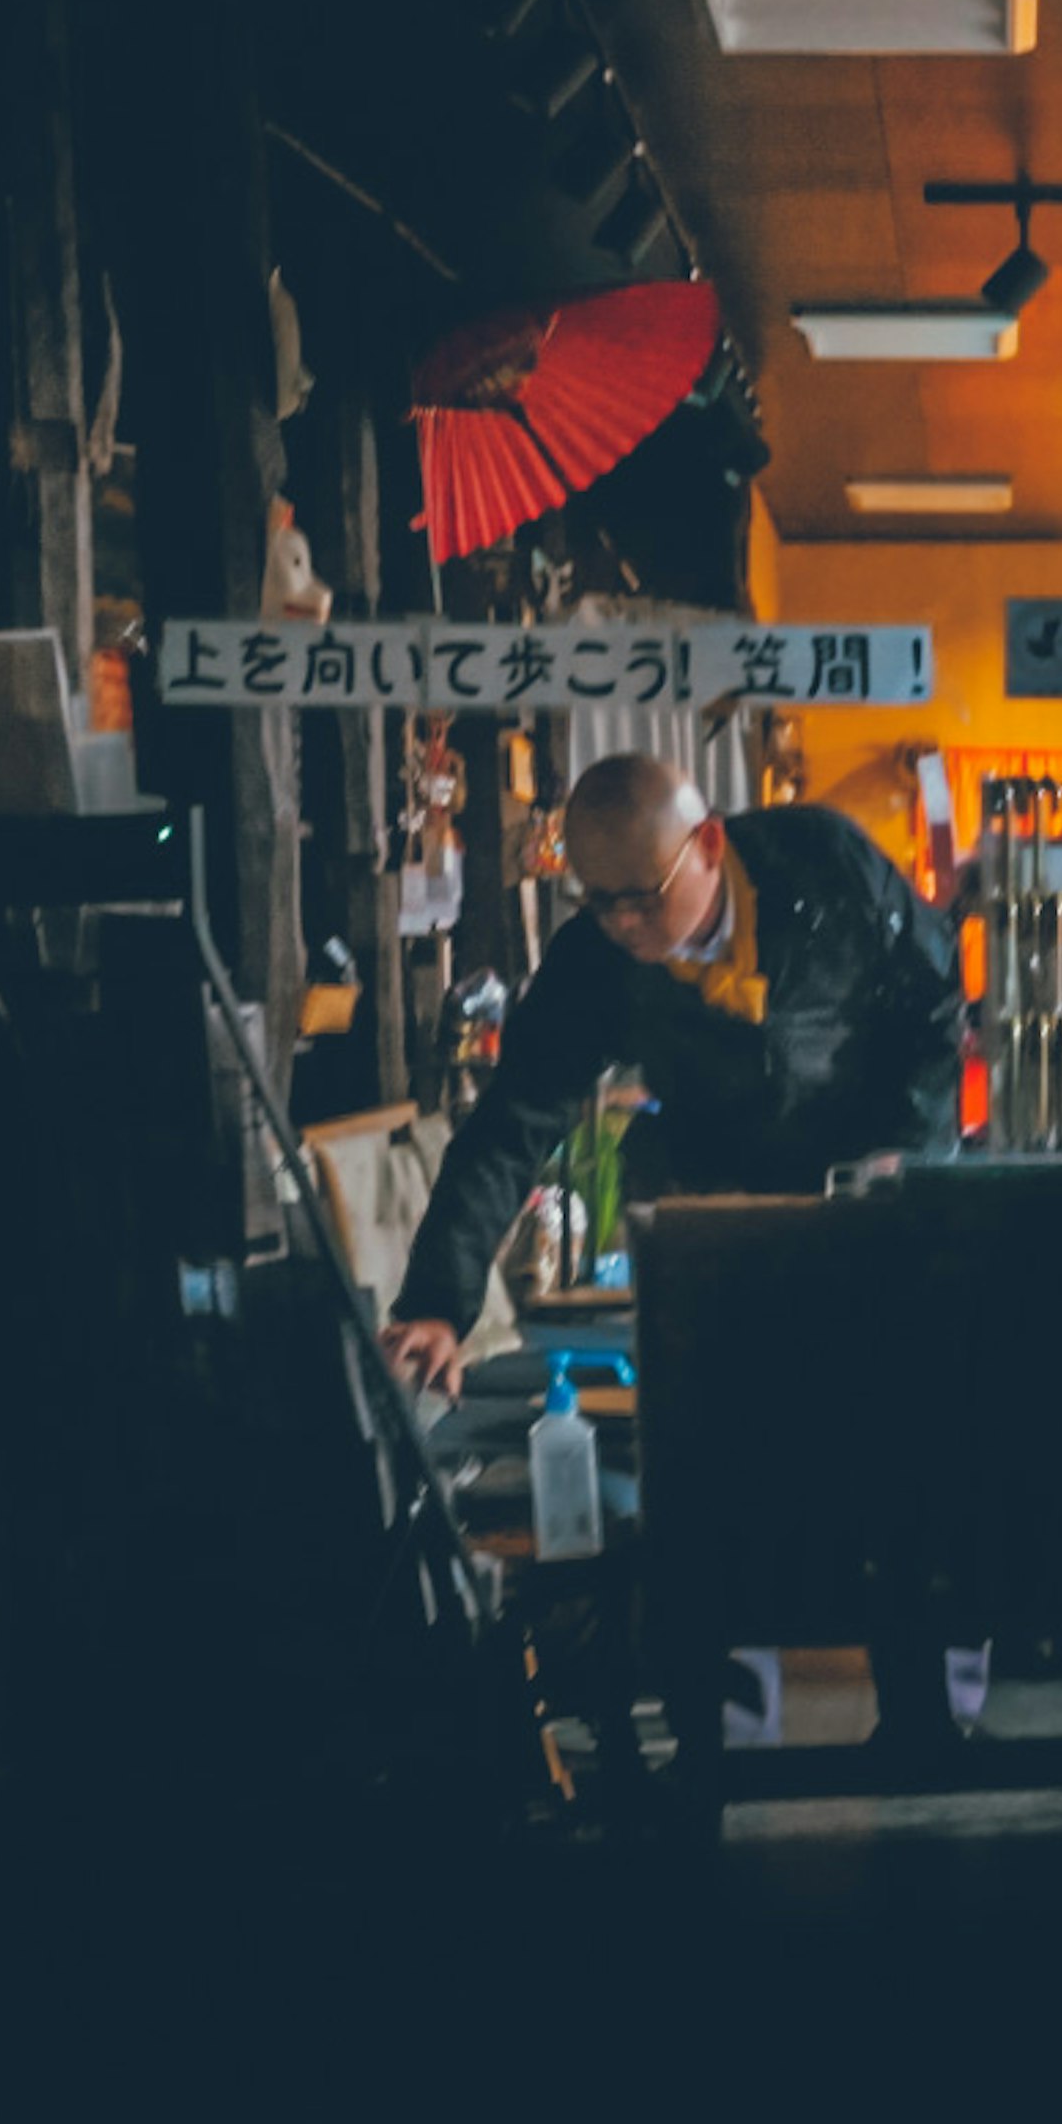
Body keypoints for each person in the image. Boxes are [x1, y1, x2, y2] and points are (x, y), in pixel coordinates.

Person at [377, 753, 969, 1766]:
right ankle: (713, 1737)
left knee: (897, 1465)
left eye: (635, 899)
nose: (618, 924)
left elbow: (932, 1009)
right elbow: (511, 1124)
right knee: (710, 1482)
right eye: (593, 900)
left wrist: (898, 1159)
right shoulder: (596, 960)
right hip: (717, 1230)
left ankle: (923, 1719)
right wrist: (437, 1297)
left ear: (706, 844)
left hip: (870, 1215)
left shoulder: (824, 864)